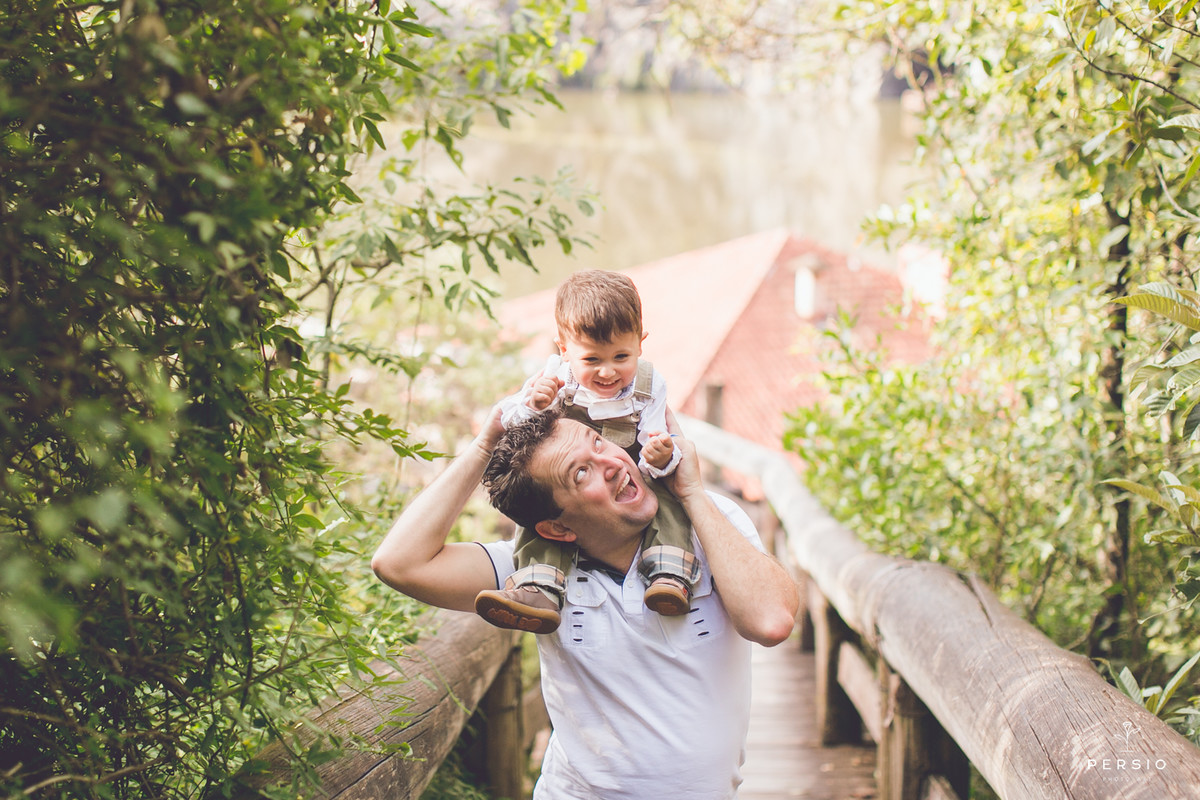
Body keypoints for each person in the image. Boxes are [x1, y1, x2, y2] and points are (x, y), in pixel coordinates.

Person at [371, 404, 799, 799]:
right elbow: (399, 564)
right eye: (581, 473)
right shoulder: (534, 577)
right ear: (556, 529)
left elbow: (772, 621)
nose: (612, 464)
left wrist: (691, 495)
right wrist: (484, 446)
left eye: (598, 443)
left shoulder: (708, 523)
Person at [477, 269, 696, 635]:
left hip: (633, 468)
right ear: (564, 349)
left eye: (621, 356)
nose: (608, 372)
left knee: (669, 503)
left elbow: (657, 434)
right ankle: (538, 586)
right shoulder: (555, 377)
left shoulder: (648, 386)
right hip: (568, 478)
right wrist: (534, 404)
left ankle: (669, 574)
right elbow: (514, 425)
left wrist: (660, 455)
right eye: (592, 360)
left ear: (641, 344)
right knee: (541, 512)